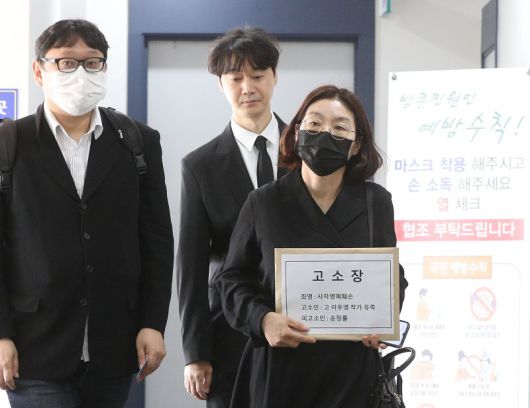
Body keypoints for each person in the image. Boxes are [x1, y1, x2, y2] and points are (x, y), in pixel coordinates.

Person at [0, 19, 174, 407]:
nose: (80, 73)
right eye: (66, 62)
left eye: (92, 62)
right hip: (34, 348)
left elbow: (157, 241)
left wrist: (152, 323)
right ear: (39, 71)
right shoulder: (9, 144)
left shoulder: (138, 142)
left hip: (115, 345)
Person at [215, 85, 408, 408]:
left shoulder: (376, 202)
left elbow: (391, 275)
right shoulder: (263, 202)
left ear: (355, 145)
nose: (324, 134)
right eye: (314, 123)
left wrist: (382, 319)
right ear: (296, 132)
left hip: (351, 372)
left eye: (340, 128)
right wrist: (263, 320)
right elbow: (231, 280)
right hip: (280, 369)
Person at [176, 27, 286, 407]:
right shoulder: (199, 165)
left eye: (257, 75)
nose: (248, 87)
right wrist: (195, 353)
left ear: (274, 77)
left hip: (301, 320)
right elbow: (190, 264)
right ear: (220, 84)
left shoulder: (306, 150)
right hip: (228, 326)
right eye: (236, 78)